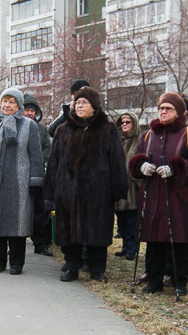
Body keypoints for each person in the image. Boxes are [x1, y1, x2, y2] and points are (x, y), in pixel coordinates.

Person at [45, 85, 128, 282]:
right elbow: (54, 162)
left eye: (85, 102)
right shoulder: (62, 130)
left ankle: (97, 269)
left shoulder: (107, 129)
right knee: (69, 232)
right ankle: (72, 267)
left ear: (95, 106)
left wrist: (118, 188)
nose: (80, 106)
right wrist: (50, 194)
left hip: (98, 191)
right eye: (78, 102)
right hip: (68, 191)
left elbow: (117, 160)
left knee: (97, 231)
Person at [129, 93, 188, 296]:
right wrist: (141, 165)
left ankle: (179, 280)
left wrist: (176, 168)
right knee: (153, 236)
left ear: (179, 112)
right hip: (152, 192)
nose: (163, 112)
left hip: (178, 193)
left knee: (178, 237)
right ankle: (154, 279)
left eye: (168, 109)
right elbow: (137, 157)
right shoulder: (148, 135)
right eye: (161, 108)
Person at [0, 88, 46, 275]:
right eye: (4, 101)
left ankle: (16, 263)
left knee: (17, 222)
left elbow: (36, 156)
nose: (7, 105)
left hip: (19, 182)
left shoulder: (28, 125)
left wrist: (35, 181)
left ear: (19, 105)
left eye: (12, 102)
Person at [22, 94, 53, 255]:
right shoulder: (17, 126)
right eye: (26, 110)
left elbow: (47, 147)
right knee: (19, 211)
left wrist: (37, 160)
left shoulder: (41, 129)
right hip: (19, 176)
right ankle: (15, 245)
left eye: (32, 111)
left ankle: (40, 244)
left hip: (37, 174)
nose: (29, 113)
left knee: (39, 211)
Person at [113, 111, 142, 262]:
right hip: (119, 188)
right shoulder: (117, 140)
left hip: (133, 188)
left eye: (128, 122)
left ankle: (132, 248)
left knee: (132, 221)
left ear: (134, 124)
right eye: (122, 122)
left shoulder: (139, 141)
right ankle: (125, 247)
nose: (124, 125)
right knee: (122, 221)